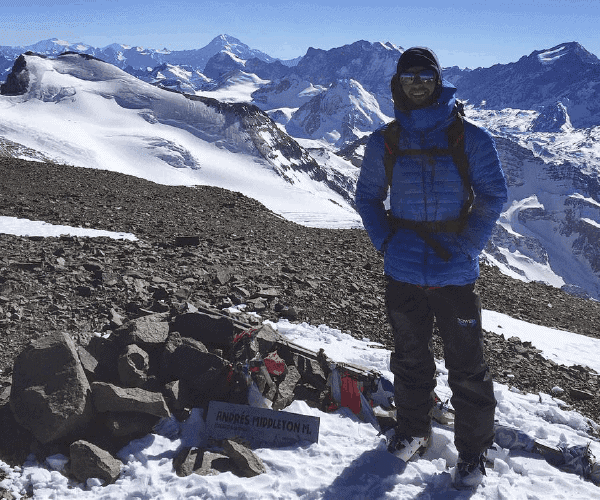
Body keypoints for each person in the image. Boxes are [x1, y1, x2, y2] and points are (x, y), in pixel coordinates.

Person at [355, 47, 508, 489]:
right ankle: (411, 431)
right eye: (409, 77)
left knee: (467, 366)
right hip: (403, 270)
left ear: (437, 81)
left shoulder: (470, 138)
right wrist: (386, 241)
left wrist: (469, 244)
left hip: (455, 272)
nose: (417, 83)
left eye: (425, 76)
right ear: (397, 85)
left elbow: (493, 195)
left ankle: (473, 454)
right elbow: (367, 198)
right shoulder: (385, 140)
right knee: (409, 357)